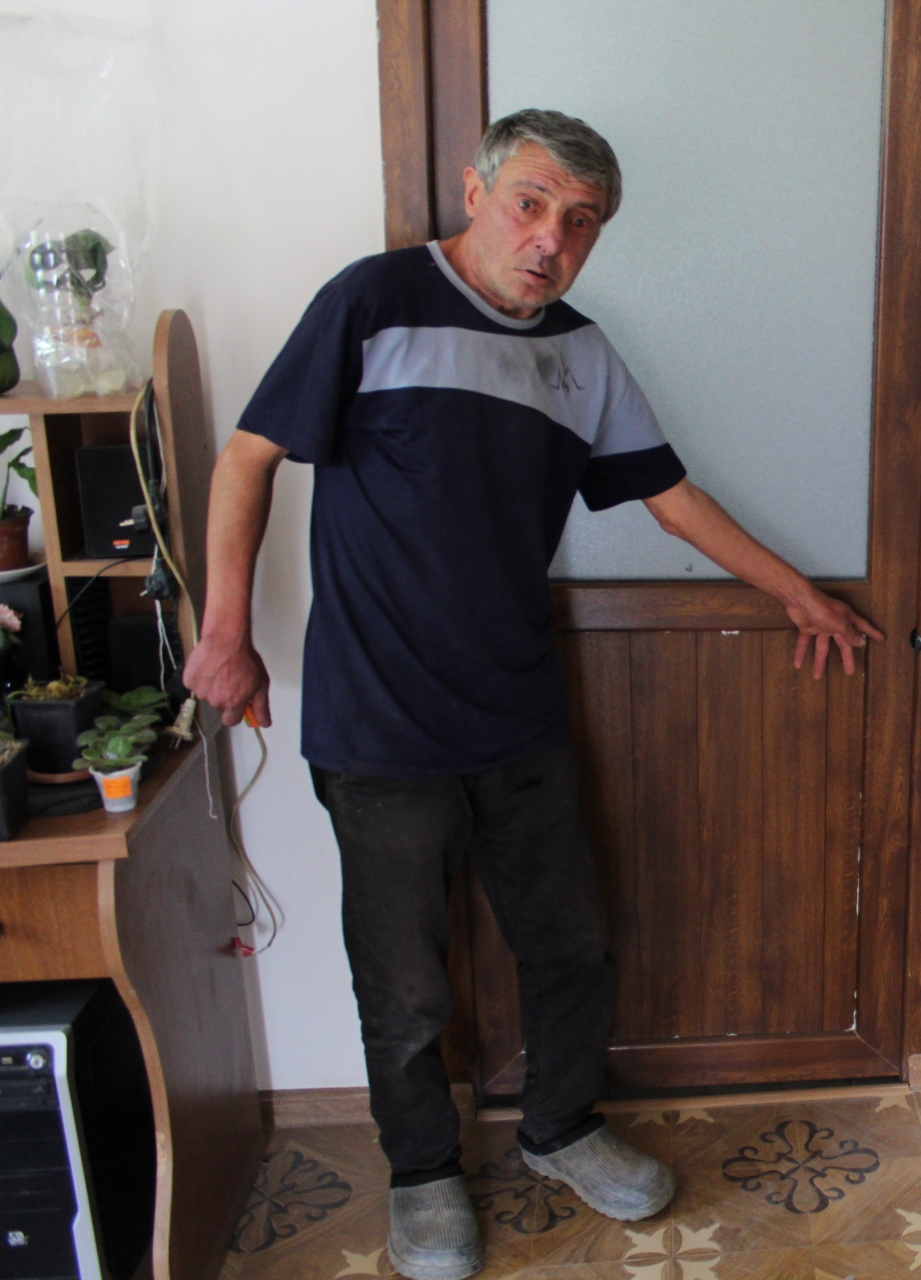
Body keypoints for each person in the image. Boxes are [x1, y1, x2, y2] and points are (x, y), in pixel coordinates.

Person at [182, 109, 882, 1280]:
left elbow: (670, 499)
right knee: (404, 980)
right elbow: (247, 456)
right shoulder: (372, 300)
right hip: (376, 722)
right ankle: (422, 1172)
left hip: (517, 713)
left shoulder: (582, 355)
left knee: (572, 947)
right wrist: (225, 631)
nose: (551, 237)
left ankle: (560, 1126)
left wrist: (797, 595)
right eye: (531, 203)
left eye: (581, 221)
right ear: (477, 192)